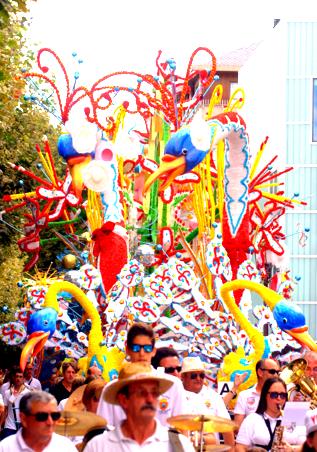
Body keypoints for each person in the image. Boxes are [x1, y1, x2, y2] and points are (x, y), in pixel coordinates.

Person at [84, 361, 195, 451]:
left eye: (154, 393)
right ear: (124, 400)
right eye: (141, 393)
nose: (150, 399)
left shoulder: (179, 446)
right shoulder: (98, 447)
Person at [97, 323, 186, 427]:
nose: (142, 353)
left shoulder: (173, 385)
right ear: (127, 350)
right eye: (136, 348)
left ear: (153, 351)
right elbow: (103, 429)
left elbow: (182, 428)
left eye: (147, 348)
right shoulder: (111, 389)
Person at [235, 377, 304, 451]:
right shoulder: (252, 419)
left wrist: (292, 449)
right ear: (265, 396)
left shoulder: (295, 417)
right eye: (274, 395)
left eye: (283, 395)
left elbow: (309, 446)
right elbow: (240, 447)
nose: (279, 398)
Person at [181, 356, 235, 448]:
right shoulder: (176, 395)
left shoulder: (213, 396)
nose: (199, 378)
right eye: (194, 375)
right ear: (183, 377)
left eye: (201, 375)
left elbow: (227, 429)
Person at [0, 391, 78, 451]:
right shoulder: (5, 448)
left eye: (54, 416)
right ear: (24, 419)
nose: (50, 422)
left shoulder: (66, 447)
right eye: (42, 416)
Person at [234, 358, 281, 429]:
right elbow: (237, 427)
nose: (276, 375)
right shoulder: (244, 396)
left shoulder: (281, 396)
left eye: (277, 372)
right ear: (260, 372)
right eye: (272, 371)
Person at [0, 366, 31, 439]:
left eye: (20, 377)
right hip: (9, 426)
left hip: (22, 427)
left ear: (23, 379)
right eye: (17, 376)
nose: (18, 379)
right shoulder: (8, 393)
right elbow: (5, 410)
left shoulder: (28, 393)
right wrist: (0, 424)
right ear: (13, 378)